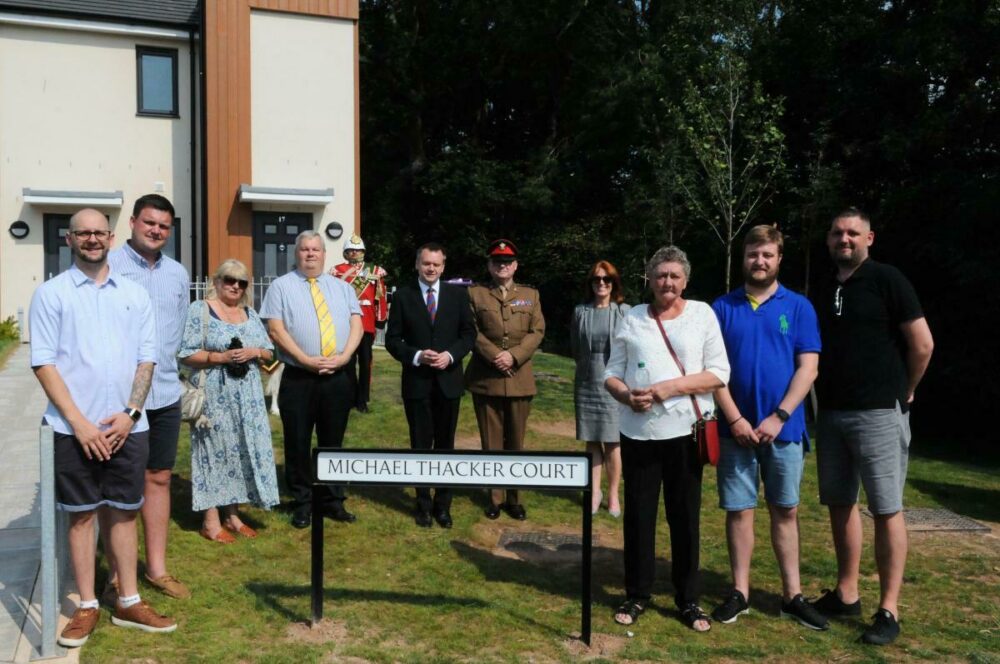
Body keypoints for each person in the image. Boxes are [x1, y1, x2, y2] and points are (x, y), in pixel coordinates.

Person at [30, 208, 176, 647]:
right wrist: (79, 424)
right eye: (83, 233)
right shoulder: (52, 294)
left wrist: (131, 412)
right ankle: (88, 605)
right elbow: (44, 362)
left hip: (126, 428)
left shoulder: (133, 294)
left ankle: (129, 600)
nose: (92, 239)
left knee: (125, 512)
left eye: (99, 232)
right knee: (81, 517)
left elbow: (146, 358)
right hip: (74, 429)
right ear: (69, 240)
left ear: (111, 237)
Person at [809, 208, 933, 646]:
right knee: (840, 504)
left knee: (885, 508)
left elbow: (922, 343)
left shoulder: (888, 279)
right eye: (838, 233)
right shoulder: (823, 286)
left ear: (870, 238)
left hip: (880, 411)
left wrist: (907, 390)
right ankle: (846, 593)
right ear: (828, 239)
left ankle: (889, 609)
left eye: (853, 233)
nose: (845, 240)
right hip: (832, 413)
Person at [604, 245, 729, 633]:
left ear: (685, 280)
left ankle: (688, 599)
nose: (667, 282)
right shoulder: (633, 318)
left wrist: (668, 389)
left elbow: (719, 373)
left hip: (685, 434)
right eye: (660, 275)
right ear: (650, 280)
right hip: (639, 433)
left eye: (674, 275)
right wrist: (627, 395)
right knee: (640, 517)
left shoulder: (702, 315)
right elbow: (611, 373)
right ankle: (637, 593)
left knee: (684, 518)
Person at [709, 225, 828, 630]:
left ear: (779, 259)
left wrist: (778, 416)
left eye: (767, 255)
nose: (759, 262)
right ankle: (739, 592)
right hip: (734, 431)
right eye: (753, 254)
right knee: (739, 511)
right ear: (744, 258)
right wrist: (735, 418)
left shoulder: (798, 307)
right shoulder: (721, 308)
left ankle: (792, 596)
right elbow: (712, 373)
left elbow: (808, 368)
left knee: (786, 510)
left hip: (784, 429)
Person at [105, 193, 191, 602]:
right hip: (121, 397)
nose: (156, 230)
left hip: (167, 392)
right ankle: (118, 573)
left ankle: (156, 568)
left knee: (158, 478)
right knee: (120, 485)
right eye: (149, 223)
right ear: (133, 223)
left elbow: (177, 331)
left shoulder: (177, 273)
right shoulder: (110, 267)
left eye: (164, 225)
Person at [260, 230, 364, 528]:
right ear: (297, 253)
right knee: (297, 440)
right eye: (304, 249)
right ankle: (303, 501)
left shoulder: (342, 288)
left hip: (337, 376)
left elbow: (356, 324)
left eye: (315, 249)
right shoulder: (281, 287)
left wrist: (344, 357)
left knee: (333, 441)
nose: (310, 254)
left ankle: (333, 500)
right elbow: (276, 329)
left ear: (323, 253)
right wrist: (305, 360)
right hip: (299, 377)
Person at [178, 260, 279, 542]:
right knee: (212, 452)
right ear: (217, 280)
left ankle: (233, 516)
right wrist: (219, 357)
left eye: (241, 282)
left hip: (248, 397)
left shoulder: (249, 312)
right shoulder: (201, 309)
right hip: (214, 394)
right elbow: (186, 353)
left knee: (239, 451)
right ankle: (210, 521)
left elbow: (270, 352)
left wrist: (253, 351)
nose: (235, 286)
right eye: (229, 280)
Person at [385, 243, 476, 528]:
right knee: (420, 445)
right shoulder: (403, 296)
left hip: (448, 383)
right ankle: (423, 504)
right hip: (418, 384)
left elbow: (468, 334)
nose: (431, 268)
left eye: (436, 264)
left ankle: (443, 505)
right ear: (417, 264)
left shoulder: (457, 296)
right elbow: (392, 340)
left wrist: (450, 356)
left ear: (443, 266)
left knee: (446, 445)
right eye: (426, 263)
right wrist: (416, 356)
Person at [465, 239, 545, 520]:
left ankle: (515, 498)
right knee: (491, 442)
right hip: (487, 377)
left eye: (508, 262)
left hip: (519, 376)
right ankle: (495, 497)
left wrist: (513, 356)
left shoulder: (530, 295)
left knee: (517, 443)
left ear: (515, 266)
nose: (503, 266)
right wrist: (495, 355)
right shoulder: (475, 294)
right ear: (489, 265)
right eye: (497, 262)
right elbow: (470, 330)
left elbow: (537, 331)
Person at [571, 260, 630, 516]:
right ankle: (594, 492)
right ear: (591, 284)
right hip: (586, 380)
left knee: (613, 441)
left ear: (613, 283)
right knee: (592, 441)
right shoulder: (580, 311)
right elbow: (574, 345)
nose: (601, 284)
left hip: (614, 382)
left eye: (607, 280)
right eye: (597, 280)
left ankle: (614, 493)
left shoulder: (624, 311)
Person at [331, 234, 388, 413]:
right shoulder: (337, 271)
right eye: (351, 250)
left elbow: (381, 296)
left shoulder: (375, 271)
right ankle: (349, 396)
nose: (354, 253)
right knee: (346, 362)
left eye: (358, 250)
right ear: (345, 253)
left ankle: (362, 398)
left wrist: (381, 318)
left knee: (365, 363)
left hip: (367, 322)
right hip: (345, 323)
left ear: (363, 251)